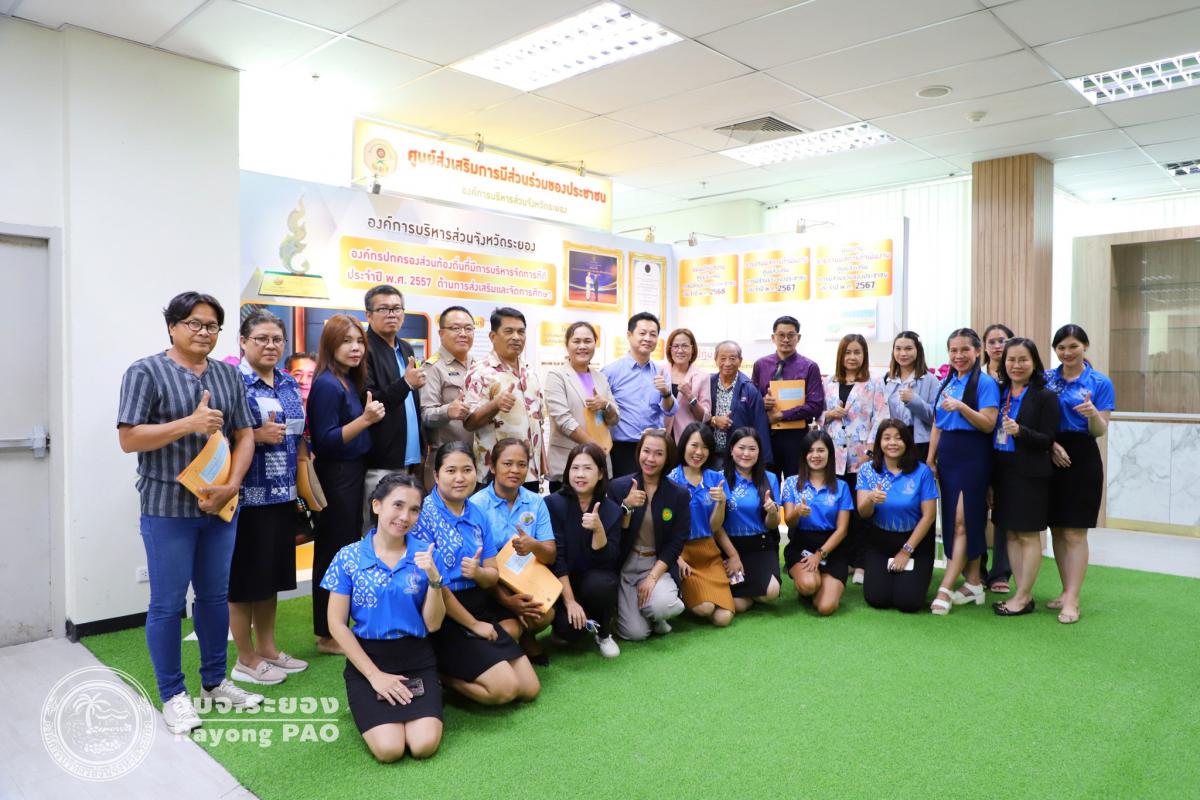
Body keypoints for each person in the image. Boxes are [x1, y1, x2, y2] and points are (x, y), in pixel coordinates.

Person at [117, 291, 262, 734]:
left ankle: (214, 682)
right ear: (172, 327)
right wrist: (189, 425)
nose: (204, 332)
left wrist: (231, 486)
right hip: (167, 508)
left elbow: (245, 434)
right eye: (194, 323)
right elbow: (129, 438)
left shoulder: (228, 374)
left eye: (212, 326)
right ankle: (173, 695)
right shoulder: (145, 372)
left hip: (221, 504)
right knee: (167, 603)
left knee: (215, 597)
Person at [322, 473, 445, 762]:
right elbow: (336, 625)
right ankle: (361, 696)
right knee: (389, 750)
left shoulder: (426, 555)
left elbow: (433, 623)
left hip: (417, 658)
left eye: (414, 509)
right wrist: (374, 676)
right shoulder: (348, 557)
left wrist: (434, 578)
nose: (405, 517)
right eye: (397, 505)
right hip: (369, 660)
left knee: (423, 746)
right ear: (376, 505)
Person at [412, 442, 540, 705]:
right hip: (445, 611)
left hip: (479, 605)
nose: (460, 478)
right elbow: (434, 585)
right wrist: (473, 625)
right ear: (436, 475)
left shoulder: (477, 513)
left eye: (467, 470)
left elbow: (492, 574)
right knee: (505, 690)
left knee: (529, 689)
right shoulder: (423, 515)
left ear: (476, 472)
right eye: (451, 471)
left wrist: (478, 573)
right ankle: (442, 675)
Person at [228, 310, 309, 686]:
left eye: (277, 339)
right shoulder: (233, 381)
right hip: (245, 498)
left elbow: (298, 435)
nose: (270, 345)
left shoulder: (289, 381)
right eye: (261, 338)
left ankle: (268, 648)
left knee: (271, 577)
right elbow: (210, 437)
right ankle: (245, 658)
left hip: (282, 495)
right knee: (244, 581)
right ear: (243, 341)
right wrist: (254, 436)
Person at [308, 313, 385, 654]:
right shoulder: (327, 384)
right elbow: (325, 441)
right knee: (332, 553)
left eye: (359, 342)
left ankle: (335, 627)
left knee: (343, 550)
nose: (355, 348)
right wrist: (365, 420)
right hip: (336, 476)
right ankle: (327, 634)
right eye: (346, 342)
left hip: (351, 473)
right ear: (330, 345)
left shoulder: (346, 380)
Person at [927, 328, 1000, 615]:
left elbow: (988, 424)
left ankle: (945, 588)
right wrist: (930, 459)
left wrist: (962, 407)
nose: (958, 355)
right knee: (954, 521)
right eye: (953, 350)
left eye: (965, 350)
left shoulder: (985, 383)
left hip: (973, 454)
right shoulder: (949, 381)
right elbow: (938, 423)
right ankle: (973, 583)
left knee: (963, 520)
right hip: (948, 455)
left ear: (977, 351)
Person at [1045, 324, 1114, 625]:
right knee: (1057, 529)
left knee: (1075, 532)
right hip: (1050, 451)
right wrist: (1050, 445)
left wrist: (1092, 413)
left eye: (1073, 346)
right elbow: (1037, 419)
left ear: (1084, 346)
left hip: (1083, 455)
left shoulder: (1099, 382)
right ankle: (1065, 590)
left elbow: (1100, 430)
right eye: (1061, 347)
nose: (1067, 352)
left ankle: (1073, 599)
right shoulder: (1047, 378)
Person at [469, 439, 557, 664]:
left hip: (524, 580)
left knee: (546, 615)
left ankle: (526, 637)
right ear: (492, 466)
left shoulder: (536, 502)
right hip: (489, 585)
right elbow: (475, 565)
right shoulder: (476, 505)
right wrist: (508, 601)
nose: (515, 470)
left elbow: (550, 555)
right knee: (509, 630)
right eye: (507, 464)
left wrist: (534, 546)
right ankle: (509, 637)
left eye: (522, 464)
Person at [990, 338, 1060, 617]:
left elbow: (1048, 439)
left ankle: (1022, 596)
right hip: (1003, 471)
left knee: (1028, 535)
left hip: (1030, 474)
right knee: (1011, 532)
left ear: (1034, 362)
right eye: (1011, 359)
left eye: (1023, 360)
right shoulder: (1000, 391)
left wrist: (1020, 431)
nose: (1016, 365)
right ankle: (1022, 593)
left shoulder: (1045, 396)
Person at [606, 428, 689, 640]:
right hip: (626, 564)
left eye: (659, 453)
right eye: (646, 451)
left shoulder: (678, 494)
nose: (650, 459)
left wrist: (652, 578)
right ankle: (641, 614)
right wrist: (626, 506)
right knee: (636, 633)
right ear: (638, 452)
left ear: (667, 457)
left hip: (655, 562)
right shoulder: (618, 487)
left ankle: (654, 612)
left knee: (665, 605)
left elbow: (676, 541)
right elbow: (612, 534)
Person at [819, 333, 888, 585]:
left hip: (862, 457)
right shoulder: (828, 382)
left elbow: (881, 417)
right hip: (834, 457)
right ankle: (844, 559)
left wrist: (871, 449)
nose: (852, 357)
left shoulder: (874, 382)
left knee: (862, 512)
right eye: (848, 352)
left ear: (864, 355)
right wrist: (828, 414)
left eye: (857, 352)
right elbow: (817, 416)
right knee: (840, 509)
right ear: (841, 355)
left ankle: (861, 563)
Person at [546, 443, 624, 658]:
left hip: (595, 581)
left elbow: (608, 561)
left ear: (601, 473)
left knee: (601, 584)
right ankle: (576, 619)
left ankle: (604, 632)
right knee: (569, 631)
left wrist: (599, 530)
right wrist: (570, 602)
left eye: (587, 468)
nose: (580, 474)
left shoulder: (612, 510)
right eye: (575, 468)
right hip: (563, 582)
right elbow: (557, 558)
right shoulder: (553, 504)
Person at [856, 421, 939, 613]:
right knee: (877, 598)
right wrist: (870, 499)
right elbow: (863, 512)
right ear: (879, 443)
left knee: (908, 602)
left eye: (898, 438)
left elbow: (929, 516)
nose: (892, 443)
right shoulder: (867, 470)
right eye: (887, 438)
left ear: (907, 442)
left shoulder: (922, 471)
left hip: (915, 544)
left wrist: (906, 551)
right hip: (879, 543)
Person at [463, 307, 546, 488]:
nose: (516, 337)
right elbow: (469, 423)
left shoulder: (530, 372)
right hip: (495, 475)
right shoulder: (480, 372)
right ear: (493, 336)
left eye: (521, 332)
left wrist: (542, 464)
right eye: (509, 331)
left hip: (529, 473)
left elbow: (537, 424)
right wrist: (495, 405)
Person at [363, 286, 425, 525]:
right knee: (378, 529)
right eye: (384, 309)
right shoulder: (364, 349)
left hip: (410, 458)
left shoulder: (406, 348)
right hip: (381, 460)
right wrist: (406, 383)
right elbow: (371, 401)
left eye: (397, 308)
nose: (391, 314)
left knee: (405, 528)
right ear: (369, 315)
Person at [666, 423, 737, 627]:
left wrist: (720, 503)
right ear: (683, 446)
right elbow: (664, 529)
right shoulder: (670, 480)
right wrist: (677, 559)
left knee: (723, 618)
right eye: (694, 445)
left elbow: (715, 527)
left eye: (705, 447)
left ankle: (696, 597)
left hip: (708, 551)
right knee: (705, 608)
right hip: (683, 552)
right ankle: (684, 595)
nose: (699, 452)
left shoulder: (716, 478)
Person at [781, 430, 853, 616]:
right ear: (804, 455)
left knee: (825, 607)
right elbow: (789, 522)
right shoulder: (791, 483)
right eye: (810, 451)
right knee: (809, 585)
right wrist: (797, 511)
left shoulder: (842, 486)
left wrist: (820, 555)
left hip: (832, 548)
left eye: (821, 450)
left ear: (830, 453)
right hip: (802, 545)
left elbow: (842, 530)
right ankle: (808, 583)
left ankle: (821, 583)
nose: (815, 455)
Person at [544, 321, 618, 493]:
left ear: (595, 344)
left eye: (588, 341)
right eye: (576, 341)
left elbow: (614, 419)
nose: (582, 346)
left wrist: (605, 405)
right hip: (567, 465)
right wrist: (595, 448)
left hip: (599, 468)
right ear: (567, 345)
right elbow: (564, 421)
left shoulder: (600, 378)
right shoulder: (557, 376)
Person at [602, 312, 676, 479]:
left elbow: (670, 410)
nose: (647, 338)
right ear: (629, 335)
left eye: (653, 334)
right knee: (624, 492)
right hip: (622, 449)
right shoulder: (611, 372)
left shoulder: (661, 372)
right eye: (642, 333)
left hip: (654, 448)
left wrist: (666, 393)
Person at [751, 316, 825, 478]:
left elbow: (815, 405)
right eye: (781, 335)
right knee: (767, 483)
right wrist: (762, 402)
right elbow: (752, 401)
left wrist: (782, 415)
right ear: (773, 337)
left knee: (797, 483)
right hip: (767, 435)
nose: (786, 339)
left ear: (798, 338)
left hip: (797, 437)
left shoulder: (810, 367)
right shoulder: (760, 365)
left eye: (791, 335)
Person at [721, 427, 782, 612]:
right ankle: (745, 592)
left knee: (771, 592)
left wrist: (772, 513)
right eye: (741, 448)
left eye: (752, 449)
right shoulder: (719, 478)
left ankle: (748, 591)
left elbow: (772, 525)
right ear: (731, 450)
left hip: (761, 546)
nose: (746, 454)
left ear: (759, 452)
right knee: (738, 605)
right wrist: (732, 555)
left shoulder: (770, 478)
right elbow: (715, 525)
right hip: (731, 547)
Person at [980, 323, 1016, 595]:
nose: (997, 346)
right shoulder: (977, 376)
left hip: (1009, 452)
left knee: (1004, 512)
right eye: (991, 341)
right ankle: (977, 570)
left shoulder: (1017, 375)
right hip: (979, 448)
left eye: (1002, 341)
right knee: (976, 511)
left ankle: (1001, 571)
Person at [420, 306, 476, 477]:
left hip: (476, 460)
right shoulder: (433, 367)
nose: (463, 334)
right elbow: (425, 415)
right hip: (446, 463)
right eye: (456, 328)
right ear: (441, 333)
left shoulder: (477, 365)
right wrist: (448, 411)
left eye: (468, 328)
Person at [708, 341, 773, 468]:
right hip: (710, 455)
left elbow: (760, 426)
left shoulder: (749, 389)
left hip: (740, 457)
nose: (727, 363)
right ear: (715, 360)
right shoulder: (708, 384)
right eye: (723, 358)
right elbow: (698, 416)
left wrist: (764, 462)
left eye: (732, 358)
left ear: (740, 360)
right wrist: (714, 420)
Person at [881, 331, 938, 463]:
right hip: (891, 440)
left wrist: (913, 401)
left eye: (908, 348)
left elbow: (935, 418)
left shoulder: (930, 380)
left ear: (918, 350)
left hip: (918, 442)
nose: (903, 353)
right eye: (898, 349)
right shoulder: (886, 379)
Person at [664, 328, 711, 442]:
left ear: (692, 349)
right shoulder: (660, 372)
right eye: (676, 346)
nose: (680, 350)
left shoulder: (702, 376)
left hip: (687, 439)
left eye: (685, 346)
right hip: (662, 437)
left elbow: (705, 417)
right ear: (670, 349)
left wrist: (690, 396)